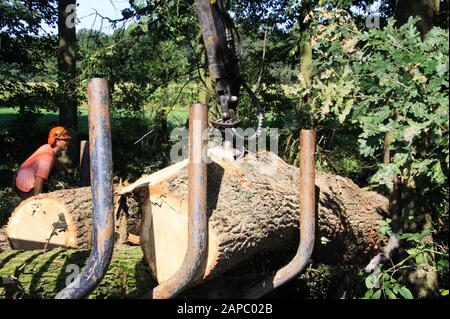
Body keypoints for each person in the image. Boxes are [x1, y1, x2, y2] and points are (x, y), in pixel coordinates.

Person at [13, 126, 73, 200]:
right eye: (65, 140)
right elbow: (39, 183)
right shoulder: (46, 159)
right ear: (57, 141)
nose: (68, 142)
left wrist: (66, 170)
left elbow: (55, 161)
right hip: (25, 187)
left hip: (20, 176)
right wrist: (38, 202)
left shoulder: (48, 147)